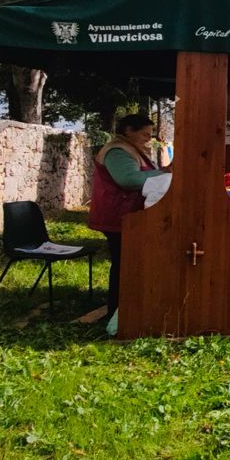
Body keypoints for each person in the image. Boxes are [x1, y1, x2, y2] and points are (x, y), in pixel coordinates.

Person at [87, 112, 164, 317]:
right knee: (123, 264)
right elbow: (129, 179)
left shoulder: (132, 148)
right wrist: (164, 173)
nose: (149, 138)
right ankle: (118, 310)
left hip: (126, 213)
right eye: (145, 134)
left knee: (126, 262)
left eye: (150, 134)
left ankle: (124, 309)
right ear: (129, 131)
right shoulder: (118, 151)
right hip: (118, 215)